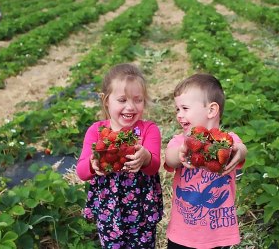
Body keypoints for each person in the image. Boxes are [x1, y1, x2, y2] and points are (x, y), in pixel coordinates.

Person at [76, 63, 163, 248]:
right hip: (109, 209)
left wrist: (145, 157)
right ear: (106, 100)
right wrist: (94, 164)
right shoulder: (96, 131)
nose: (130, 107)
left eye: (137, 100)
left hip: (141, 209)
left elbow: (154, 165)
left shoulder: (149, 130)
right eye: (122, 100)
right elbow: (82, 172)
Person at [164, 73, 248, 249]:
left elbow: (241, 149)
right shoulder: (182, 141)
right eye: (177, 109)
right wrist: (181, 151)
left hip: (218, 233)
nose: (179, 115)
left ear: (211, 110)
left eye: (185, 108)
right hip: (183, 234)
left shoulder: (227, 141)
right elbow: (170, 159)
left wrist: (238, 151)